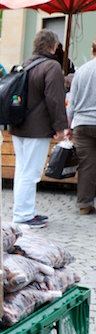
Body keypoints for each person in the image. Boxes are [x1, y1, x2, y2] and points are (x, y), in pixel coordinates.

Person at [11, 29, 68, 228]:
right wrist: (61, 127)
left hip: (19, 126)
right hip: (37, 128)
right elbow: (55, 100)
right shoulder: (51, 66)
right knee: (31, 172)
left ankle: (25, 211)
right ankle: (23, 215)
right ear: (53, 46)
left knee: (22, 170)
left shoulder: (25, 64)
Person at [66, 36, 96, 215]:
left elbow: (72, 101)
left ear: (92, 51)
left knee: (87, 165)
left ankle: (85, 204)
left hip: (82, 124)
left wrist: (68, 127)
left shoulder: (82, 71)